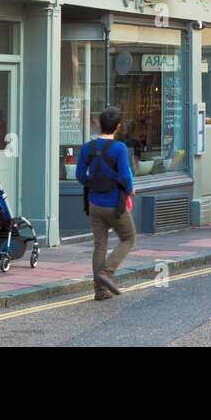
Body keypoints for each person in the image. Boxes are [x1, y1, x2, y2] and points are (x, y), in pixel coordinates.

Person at [77, 106, 136, 300]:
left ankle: (100, 290)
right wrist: (130, 190)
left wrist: (93, 184)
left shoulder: (88, 147)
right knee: (128, 238)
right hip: (115, 204)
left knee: (99, 245)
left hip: (94, 203)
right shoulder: (119, 148)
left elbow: (79, 175)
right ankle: (107, 273)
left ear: (99, 124)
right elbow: (125, 176)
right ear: (118, 126)